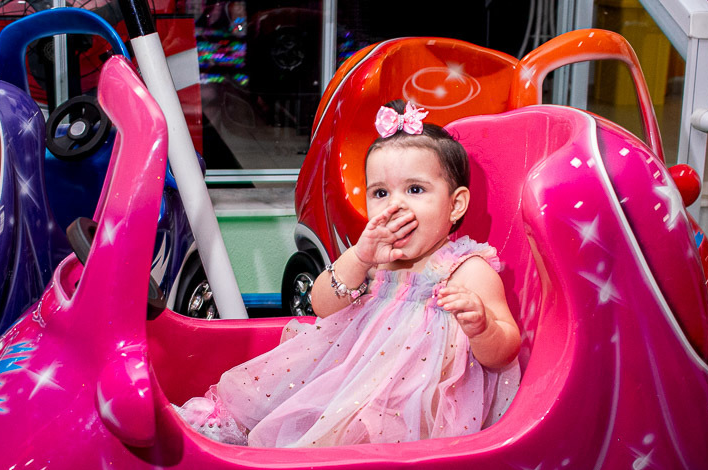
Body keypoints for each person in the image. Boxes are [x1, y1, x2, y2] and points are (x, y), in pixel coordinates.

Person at [177, 100, 522, 447]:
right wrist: (358, 256)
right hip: (349, 377)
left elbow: (504, 351)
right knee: (292, 405)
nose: (395, 205)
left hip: (412, 400)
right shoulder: (376, 257)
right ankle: (229, 438)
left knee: (355, 433)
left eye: (415, 190)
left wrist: (481, 326)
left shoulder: (466, 269)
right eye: (381, 192)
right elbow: (322, 305)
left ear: (456, 204)